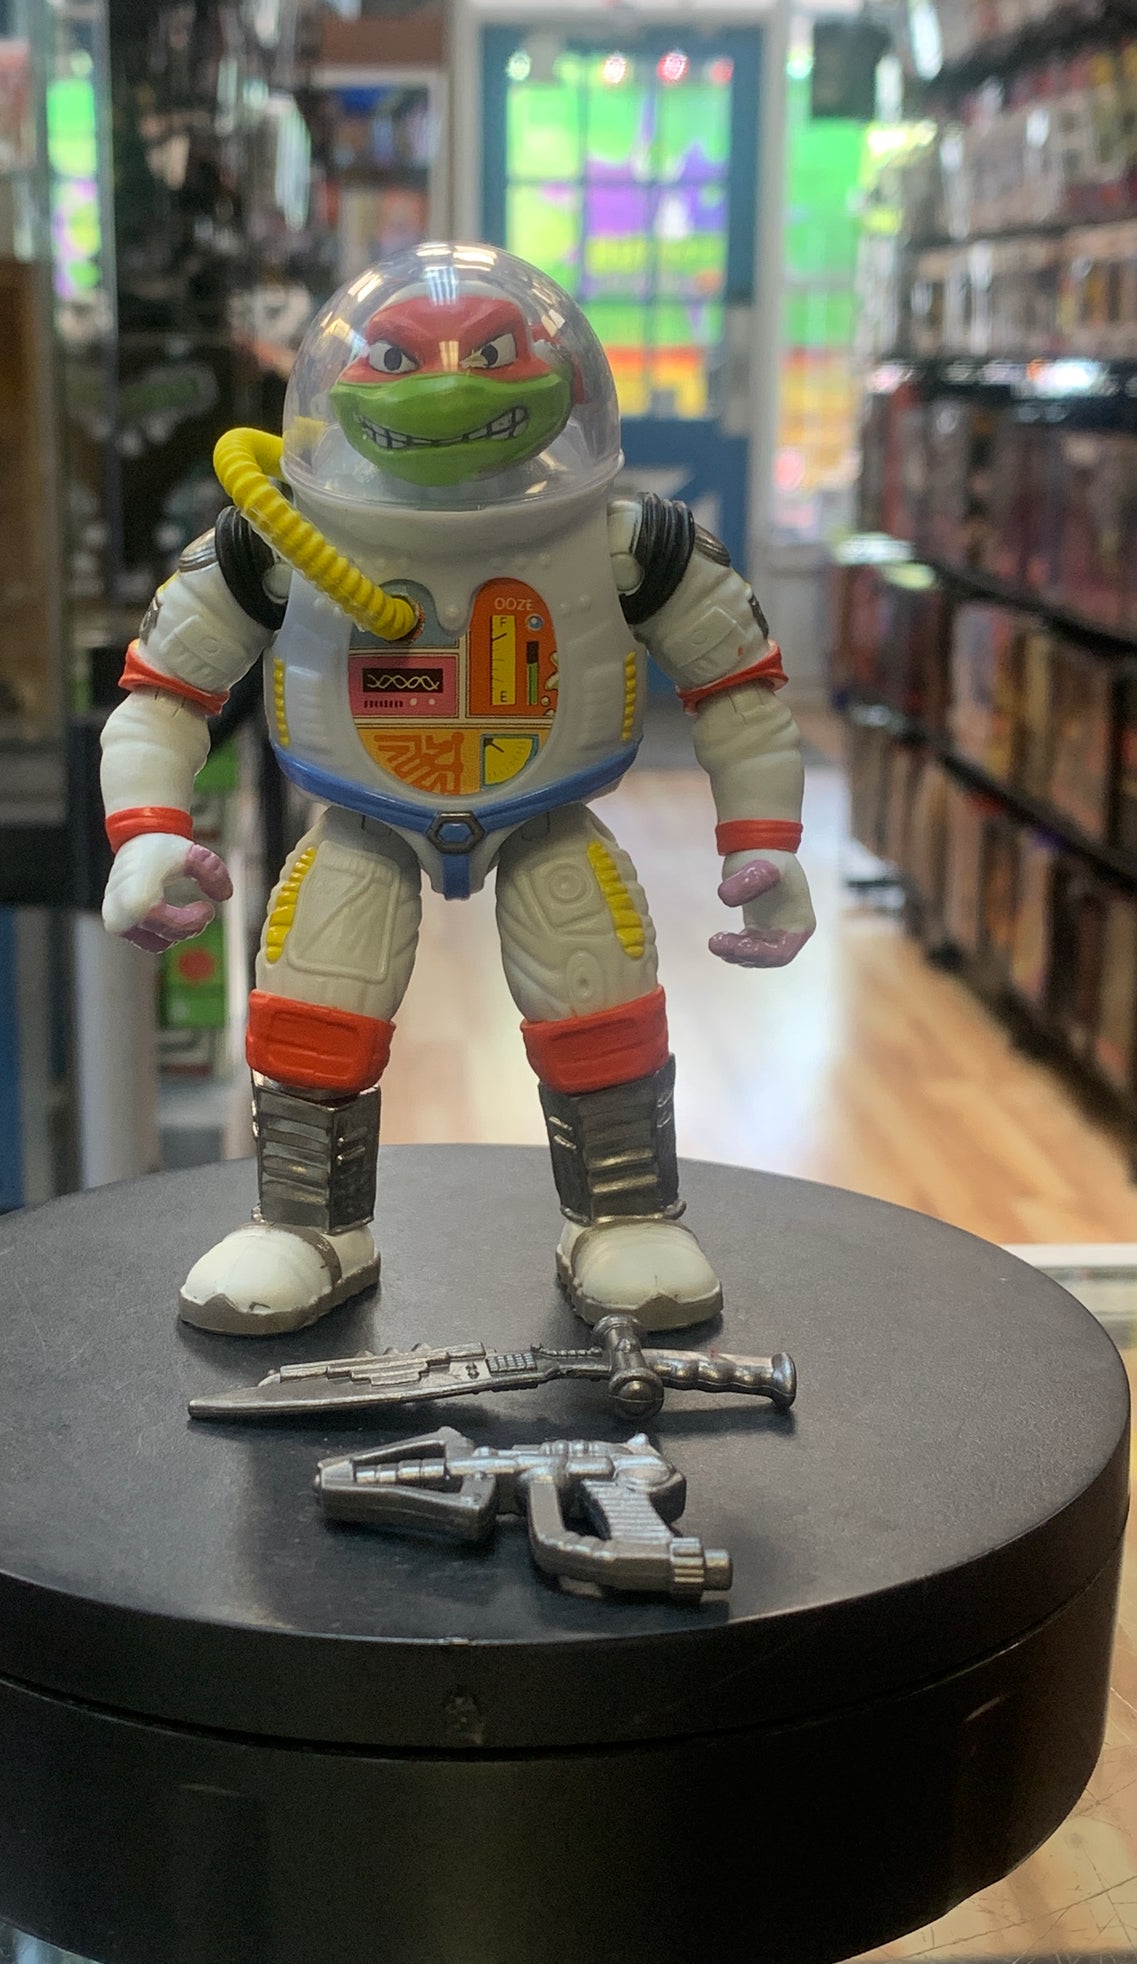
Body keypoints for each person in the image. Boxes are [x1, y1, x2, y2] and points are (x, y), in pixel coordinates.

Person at [99, 243, 814, 1337]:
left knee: (594, 982)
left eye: (486, 356)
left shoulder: (630, 544)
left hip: (547, 806)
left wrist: (765, 838)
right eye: (400, 360)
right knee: (317, 991)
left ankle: (622, 1210)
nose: (446, 387)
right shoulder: (280, 542)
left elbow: (738, 686)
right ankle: (308, 1222)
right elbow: (164, 690)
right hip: (364, 811)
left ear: (556, 380)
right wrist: (144, 828)